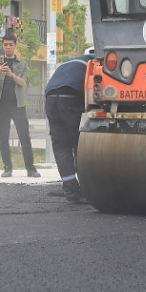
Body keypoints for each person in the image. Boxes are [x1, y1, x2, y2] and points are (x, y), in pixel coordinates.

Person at [45, 47, 94, 201]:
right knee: (78, 145)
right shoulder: (95, 64)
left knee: (60, 146)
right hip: (70, 96)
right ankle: (88, 190)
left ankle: (71, 191)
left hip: (50, 97)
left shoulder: (69, 62)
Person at [0, 30, 39, 178]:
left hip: (18, 105)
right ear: (2, 46)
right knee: (3, 137)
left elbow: (24, 83)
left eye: (10, 45)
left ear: (15, 46)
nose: (7, 47)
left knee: (25, 137)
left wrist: (11, 75)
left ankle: (31, 169)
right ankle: (7, 168)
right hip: (1, 106)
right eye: (5, 45)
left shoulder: (22, 64)